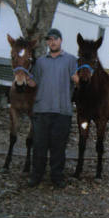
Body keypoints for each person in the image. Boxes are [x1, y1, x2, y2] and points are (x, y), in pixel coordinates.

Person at [28, 28, 78, 188]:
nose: (52, 42)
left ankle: (57, 177)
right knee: (39, 146)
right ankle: (36, 176)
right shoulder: (41, 62)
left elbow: (77, 80)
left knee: (59, 147)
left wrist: (81, 79)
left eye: (55, 39)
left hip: (62, 111)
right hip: (41, 110)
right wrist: (22, 74)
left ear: (61, 40)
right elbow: (34, 82)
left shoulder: (71, 60)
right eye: (49, 40)